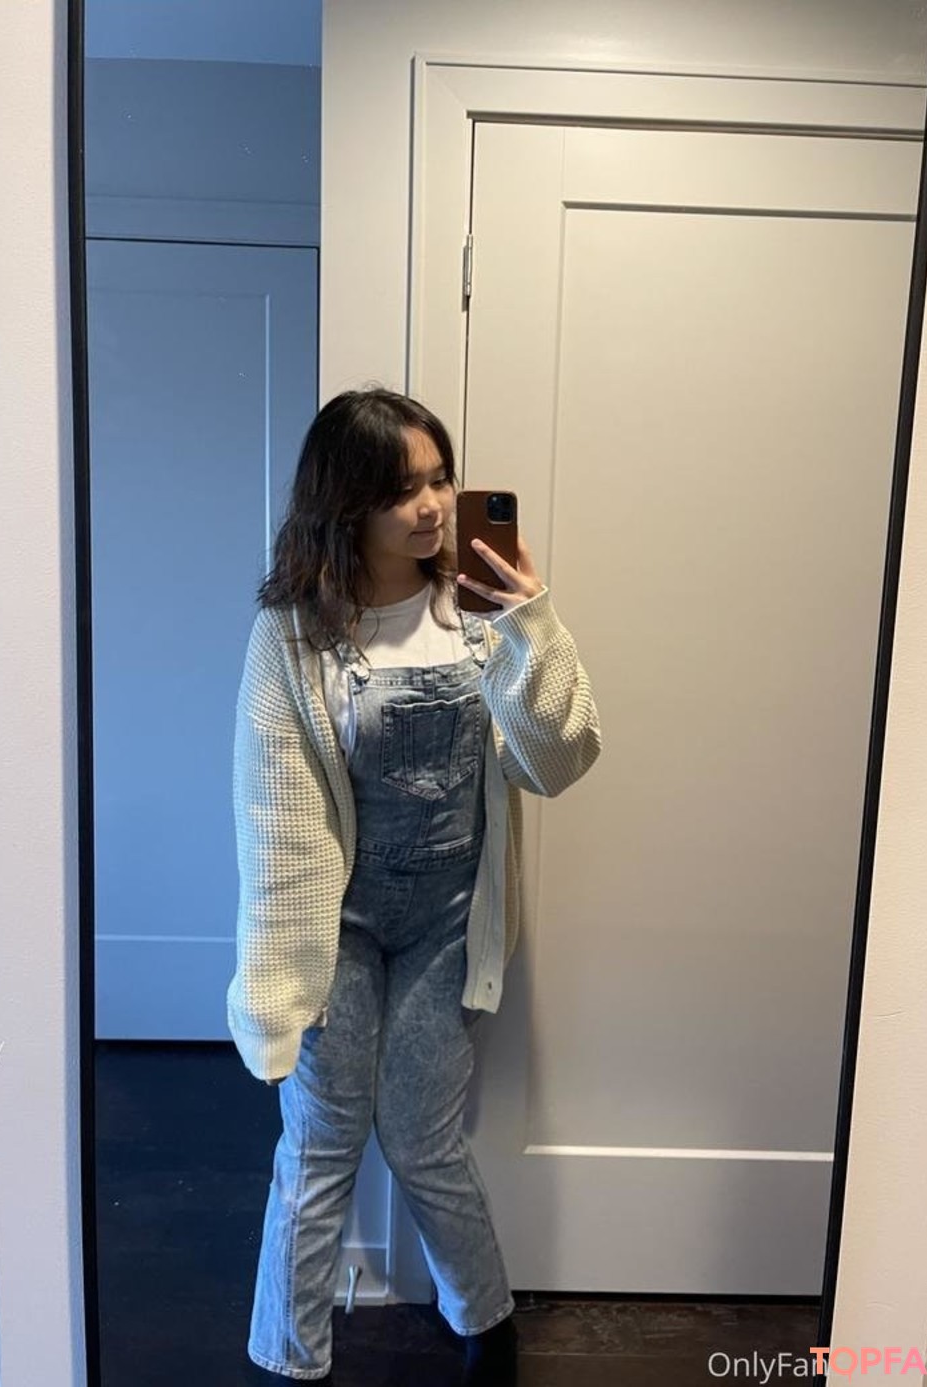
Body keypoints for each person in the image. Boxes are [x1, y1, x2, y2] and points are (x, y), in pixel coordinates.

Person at [227, 387, 601, 1384]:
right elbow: (278, 823)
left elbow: (557, 762)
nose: (434, 506)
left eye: (441, 479)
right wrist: (277, 986)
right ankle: (290, 1357)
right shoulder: (292, 635)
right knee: (319, 1143)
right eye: (404, 490)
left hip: (452, 927)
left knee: (422, 1133)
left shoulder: (482, 616)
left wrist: (532, 624)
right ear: (345, 502)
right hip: (336, 928)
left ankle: (487, 1323)